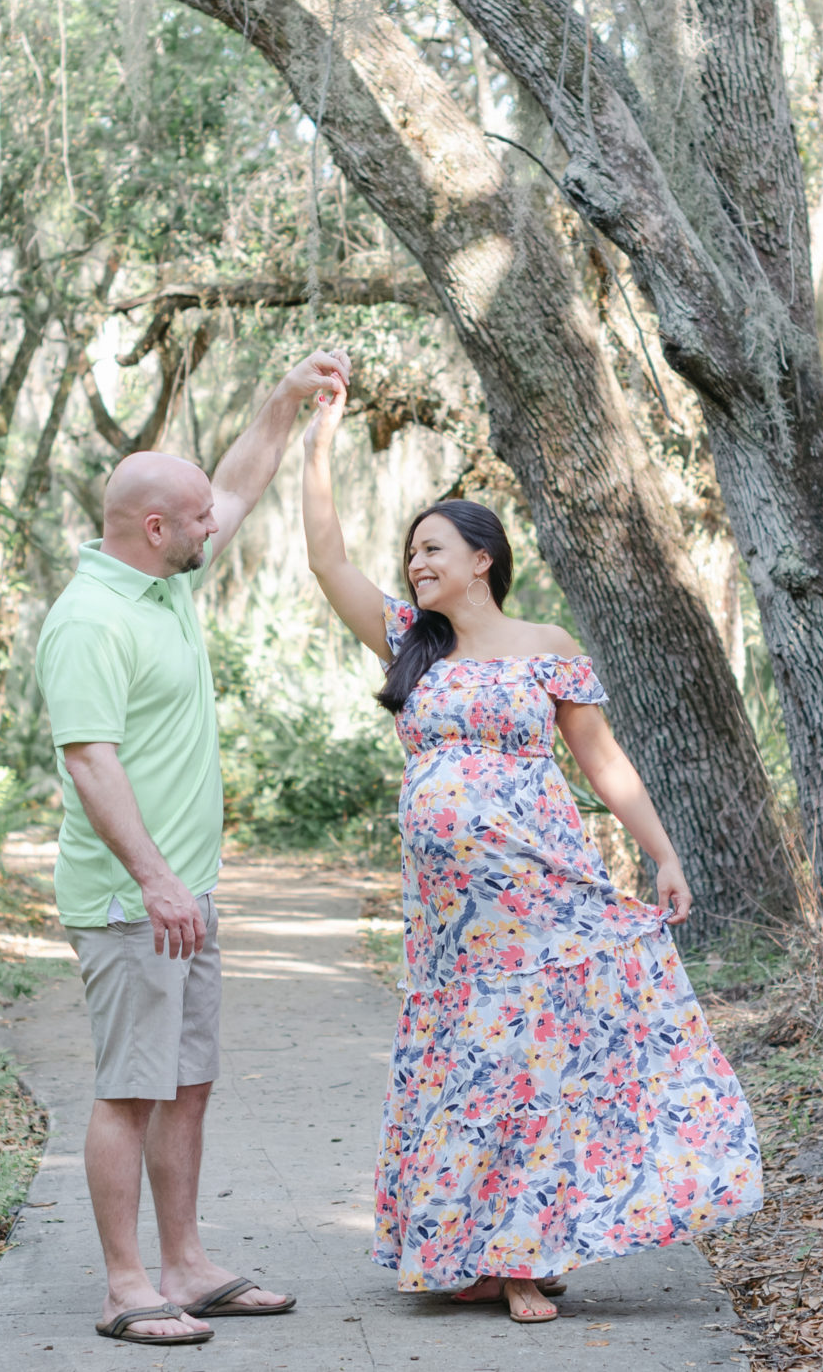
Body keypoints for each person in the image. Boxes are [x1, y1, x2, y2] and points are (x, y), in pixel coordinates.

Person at [299, 376, 764, 1323]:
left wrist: (663, 853)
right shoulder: (408, 643)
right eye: (411, 553)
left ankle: (522, 1255)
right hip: (450, 921)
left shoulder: (544, 643)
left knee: (528, 1058)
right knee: (465, 1064)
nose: (415, 564)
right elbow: (325, 556)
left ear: (482, 558)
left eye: (432, 549)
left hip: (540, 892)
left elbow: (604, 762)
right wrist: (320, 438)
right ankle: (471, 1250)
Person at [33, 348, 349, 1347]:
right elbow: (91, 764)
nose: (219, 523)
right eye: (199, 517)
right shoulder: (89, 619)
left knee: (188, 1079)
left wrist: (284, 397)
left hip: (185, 895)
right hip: (135, 900)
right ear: (154, 526)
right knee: (130, 1085)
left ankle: (186, 1262)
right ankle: (127, 1285)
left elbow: (240, 480)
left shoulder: (161, 582)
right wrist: (157, 878)